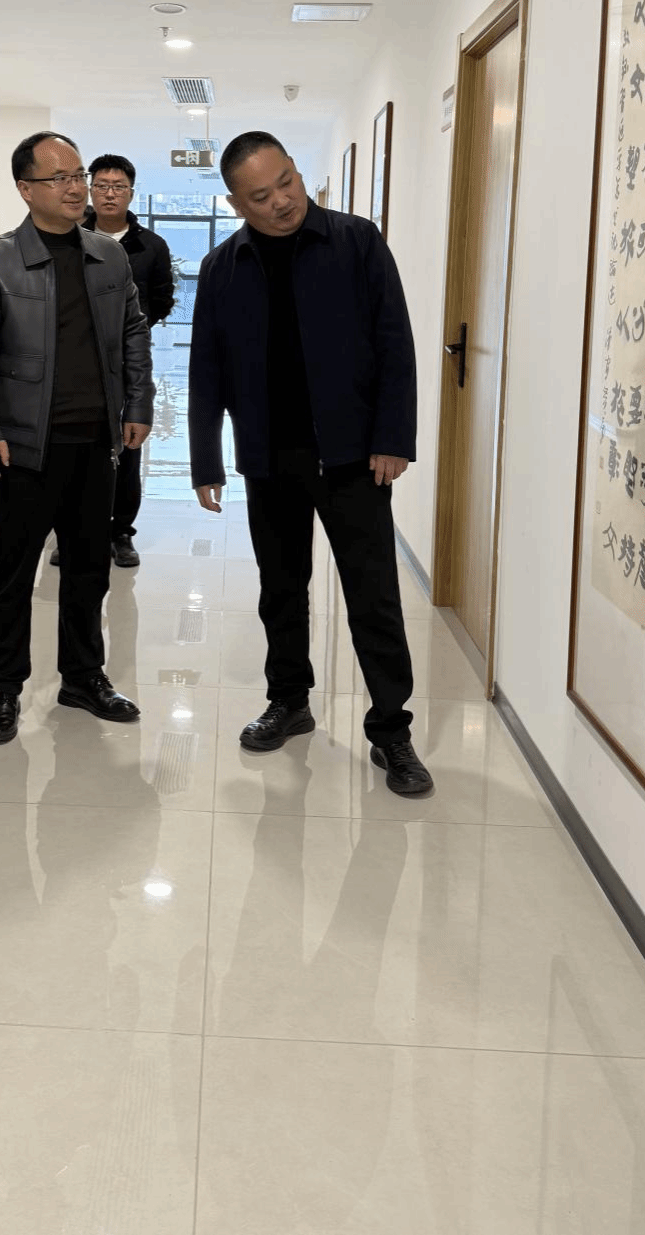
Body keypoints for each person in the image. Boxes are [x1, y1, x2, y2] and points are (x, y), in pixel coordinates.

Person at [188, 131, 434, 797]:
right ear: (236, 203)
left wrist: (393, 437)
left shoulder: (356, 242)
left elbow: (395, 342)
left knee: (373, 594)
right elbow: (206, 367)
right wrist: (206, 459)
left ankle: (391, 730)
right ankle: (288, 700)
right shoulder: (222, 267)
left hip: (352, 454)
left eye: (287, 182)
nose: (281, 202)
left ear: (298, 173)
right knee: (281, 588)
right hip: (269, 455)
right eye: (261, 196)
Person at [0, 132, 153, 745]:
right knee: (13, 572)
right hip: (24, 445)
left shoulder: (108, 256)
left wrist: (139, 403)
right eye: (59, 177)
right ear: (26, 189)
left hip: (96, 439)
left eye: (78, 175)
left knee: (89, 567)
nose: (75, 188)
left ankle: (83, 677)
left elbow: (134, 330)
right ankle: (4, 687)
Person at [62, 152, 174, 569]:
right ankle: (71, 530)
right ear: (91, 190)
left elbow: (162, 297)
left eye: (119, 187)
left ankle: (121, 532)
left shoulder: (151, 246)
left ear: (131, 192)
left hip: (128, 361)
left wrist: (131, 330)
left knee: (127, 444)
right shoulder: (68, 235)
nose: (110, 194)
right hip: (73, 357)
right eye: (103, 186)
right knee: (74, 445)